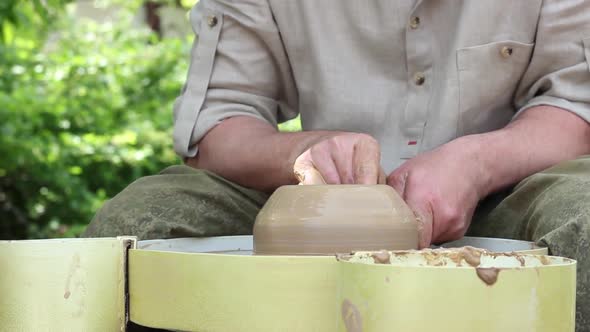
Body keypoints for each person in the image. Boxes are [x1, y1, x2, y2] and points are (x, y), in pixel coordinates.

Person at [83, 0, 590, 329]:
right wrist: (304, 152)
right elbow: (218, 123)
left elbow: (576, 104)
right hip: (308, 201)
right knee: (136, 224)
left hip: (507, 186)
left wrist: (475, 163)